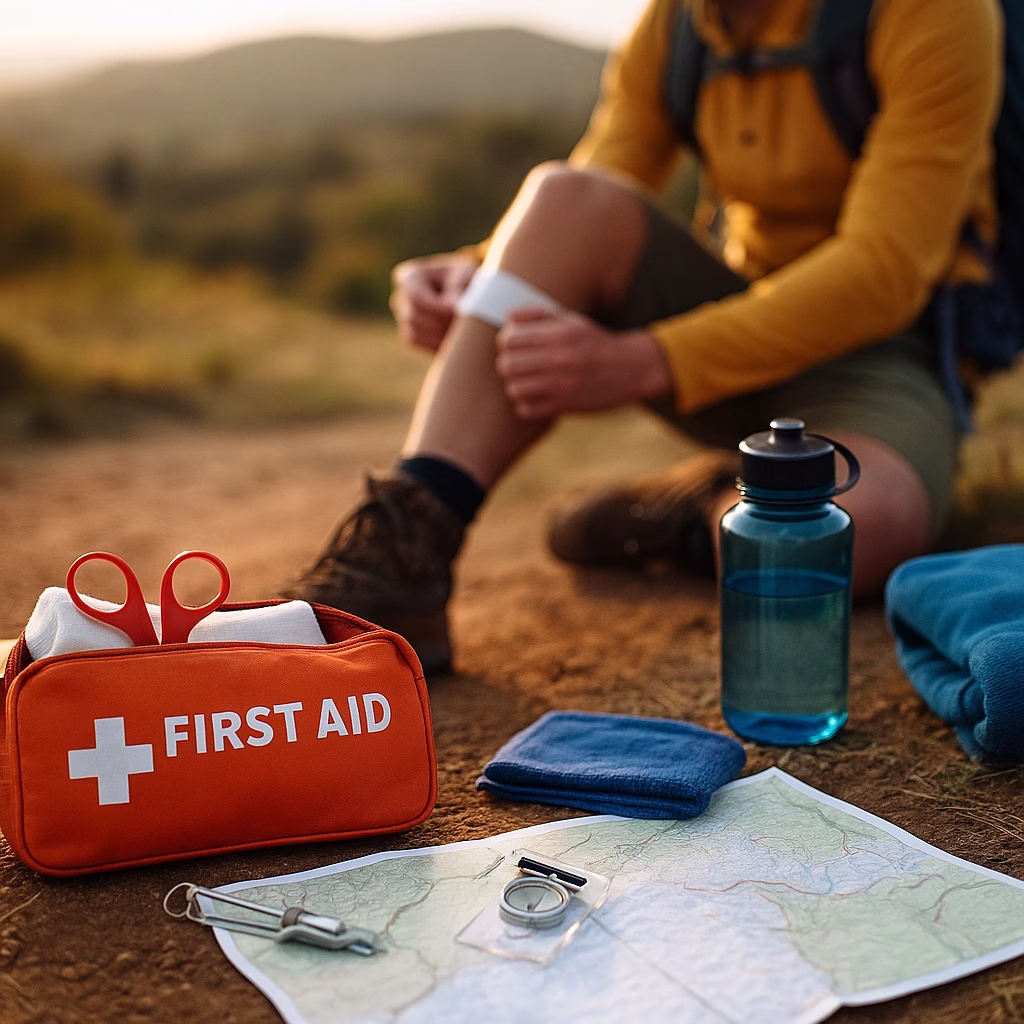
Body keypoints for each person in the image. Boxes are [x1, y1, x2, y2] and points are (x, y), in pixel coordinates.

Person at [280, 0, 1003, 675]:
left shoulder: (930, 12)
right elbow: (597, 184)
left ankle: (690, 510)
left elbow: (885, 271)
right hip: (733, 316)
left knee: (836, 537)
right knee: (565, 194)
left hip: (886, 350)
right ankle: (405, 547)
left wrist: (648, 361)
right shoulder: (675, 24)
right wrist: (472, 272)